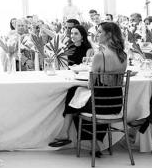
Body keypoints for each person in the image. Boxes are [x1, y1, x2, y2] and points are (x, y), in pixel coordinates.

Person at [49, 22, 128, 156]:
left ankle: (68, 134)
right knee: (76, 97)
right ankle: (92, 142)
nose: (96, 34)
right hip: (116, 105)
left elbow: (91, 85)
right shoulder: (123, 55)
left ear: (108, 35)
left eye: (100, 32)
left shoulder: (100, 56)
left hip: (99, 105)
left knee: (74, 97)